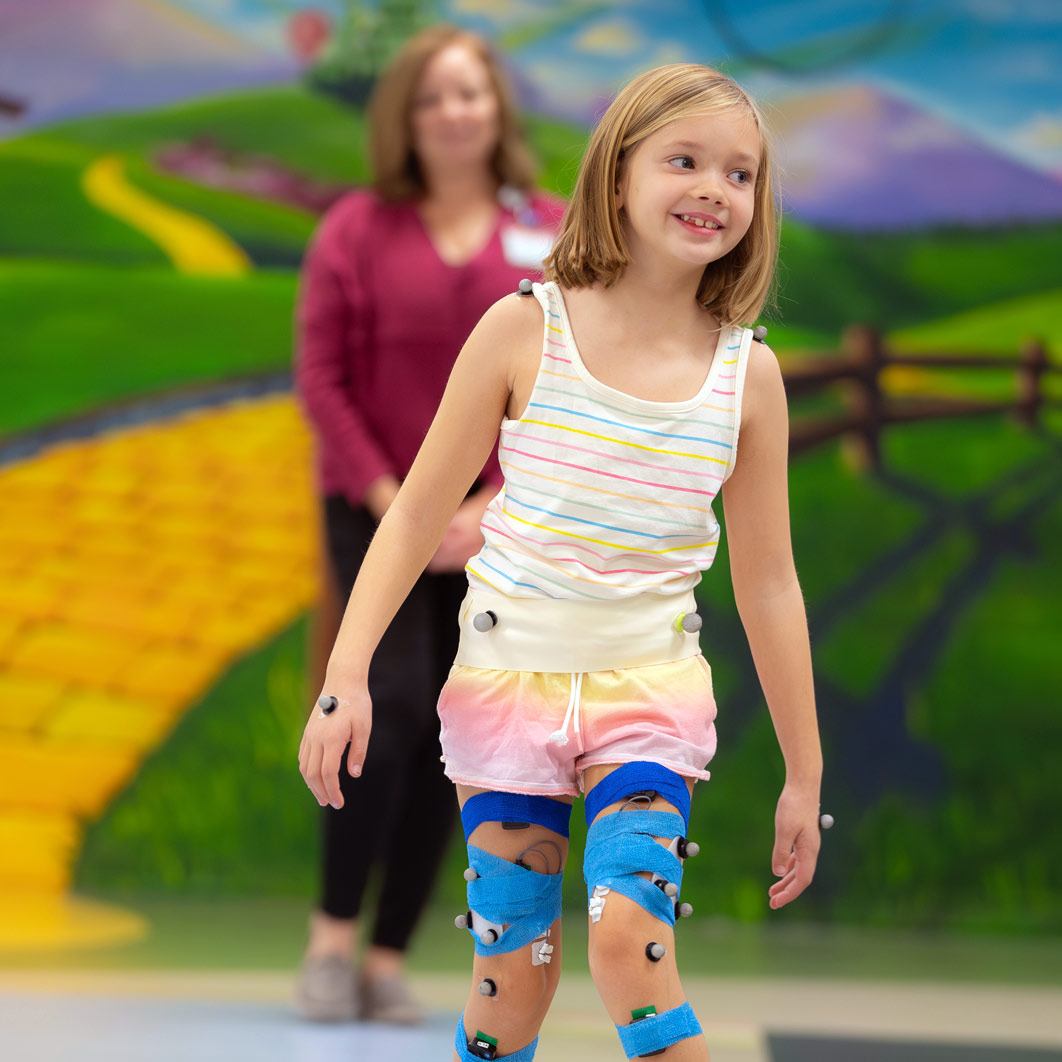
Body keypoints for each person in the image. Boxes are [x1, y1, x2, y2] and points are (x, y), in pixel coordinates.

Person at [299, 62, 824, 1061]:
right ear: (617, 174)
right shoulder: (522, 328)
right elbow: (413, 516)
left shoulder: (747, 376)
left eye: (741, 174)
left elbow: (769, 584)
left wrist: (805, 771)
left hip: (651, 697)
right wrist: (346, 676)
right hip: (507, 690)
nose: (715, 188)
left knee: (630, 942)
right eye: (685, 160)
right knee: (512, 990)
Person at [293, 24, 565, 1025]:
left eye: (470, 93)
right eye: (432, 98)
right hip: (373, 509)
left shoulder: (551, 231)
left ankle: (391, 955)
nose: (454, 113)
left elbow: (569, 389)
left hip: (502, 524)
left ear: (497, 107)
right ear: (404, 120)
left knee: (461, 736)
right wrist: (398, 506)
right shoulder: (355, 231)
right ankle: (330, 940)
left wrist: (490, 509)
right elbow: (322, 381)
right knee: (387, 704)